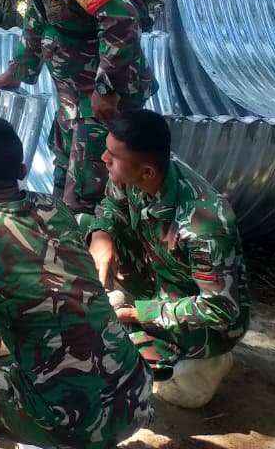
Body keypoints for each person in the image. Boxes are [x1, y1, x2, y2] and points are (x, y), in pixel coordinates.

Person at [0, 117, 152, 449]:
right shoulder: (55, 208)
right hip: (135, 396)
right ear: (23, 170)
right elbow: (46, 287)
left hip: (78, 425)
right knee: (35, 356)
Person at [0, 0, 151, 217]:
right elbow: (37, 22)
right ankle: (65, 241)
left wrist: (106, 88)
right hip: (73, 99)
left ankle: (90, 247)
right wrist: (18, 71)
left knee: (89, 196)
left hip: (101, 101)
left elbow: (121, 18)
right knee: (64, 180)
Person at [89, 109, 250, 408]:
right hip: (158, 274)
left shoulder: (205, 223)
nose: (103, 158)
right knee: (81, 226)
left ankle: (206, 364)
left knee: (120, 355)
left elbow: (220, 309)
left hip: (204, 313)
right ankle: (142, 328)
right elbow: (109, 206)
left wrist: (139, 313)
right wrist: (102, 236)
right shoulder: (133, 171)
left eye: (112, 155)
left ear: (147, 173)